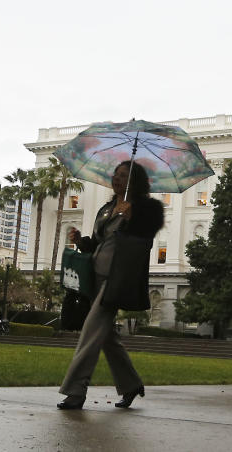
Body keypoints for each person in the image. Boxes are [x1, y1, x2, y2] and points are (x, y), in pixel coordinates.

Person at [57, 161, 164, 410]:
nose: (117, 178)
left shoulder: (148, 208)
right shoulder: (106, 208)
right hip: (94, 275)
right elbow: (97, 243)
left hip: (118, 279)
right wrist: (81, 241)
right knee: (106, 337)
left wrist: (132, 218)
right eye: (115, 174)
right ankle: (130, 384)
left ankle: (75, 391)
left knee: (91, 332)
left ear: (135, 181)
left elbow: (145, 240)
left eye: (124, 175)